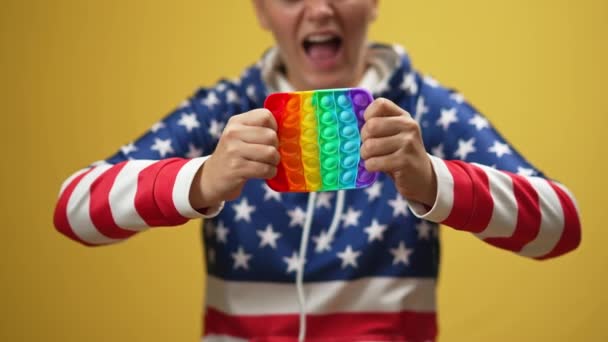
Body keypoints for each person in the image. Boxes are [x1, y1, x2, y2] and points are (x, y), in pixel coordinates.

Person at [53, 0, 581, 341]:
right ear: (260, 9)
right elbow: (75, 210)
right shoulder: (226, 109)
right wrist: (200, 180)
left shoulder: (420, 106)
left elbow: (560, 226)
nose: (320, 9)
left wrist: (433, 179)